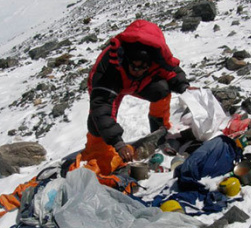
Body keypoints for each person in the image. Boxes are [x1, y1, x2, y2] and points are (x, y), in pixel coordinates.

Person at [81, 19, 191, 175]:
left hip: (136, 84)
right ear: (126, 60)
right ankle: (96, 156)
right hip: (115, 83)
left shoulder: (155, 56)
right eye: (135, 66)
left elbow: (171, 71)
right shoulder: (109, 67)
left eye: (143, 67)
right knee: (96, 123)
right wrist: (118, 144)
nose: (138, 71)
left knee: (161, 89)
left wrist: (184, 87)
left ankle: (159, 130)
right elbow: (101, 108)